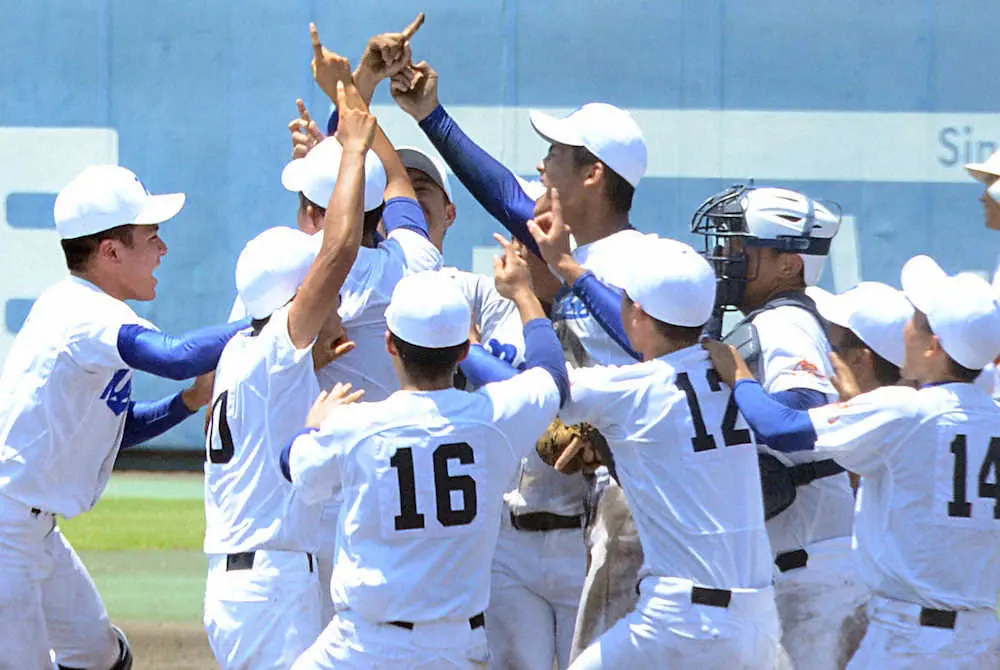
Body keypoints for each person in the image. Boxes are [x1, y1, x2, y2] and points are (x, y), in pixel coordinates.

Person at [391, 59, 650, 655]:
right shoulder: (572, 252)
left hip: (634, 497)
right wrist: (430, 116)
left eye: (554, 153)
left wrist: (568, 273)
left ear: (593, 173)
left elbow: (651, 350)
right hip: (590, 500)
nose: (541, 166)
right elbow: (502, 193)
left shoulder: (641, 264)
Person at [0, 165, 244, 669]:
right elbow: (176, 356)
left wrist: (187, 402)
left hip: (31, 530)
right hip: (7, 532)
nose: (163, 249)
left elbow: (115, 430)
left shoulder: (78, 306)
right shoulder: (85, 314)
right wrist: (276, 316)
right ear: (110, 252)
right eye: (152, 237)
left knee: (100, 657)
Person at [284, 240, 569, 670]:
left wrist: (315, 425)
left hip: (365, 645)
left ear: (390, 344)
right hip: (456, 647)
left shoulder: (356, 425)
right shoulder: (494, 417)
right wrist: (524, 295)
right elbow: (552, 374)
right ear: (465, 352)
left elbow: (293, 466)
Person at [705, 254, 1000, 668]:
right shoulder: (990, 416)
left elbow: (781, 429)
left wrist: (739, 375)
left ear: (934, 345)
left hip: (908, 637)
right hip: (983, 639)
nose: (907, 328)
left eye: (915, 321)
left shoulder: (904, 410)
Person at [202, 81, 372, 669]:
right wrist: (351, 151)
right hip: (271, 583)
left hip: (244, 583)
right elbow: (339, 251)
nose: (334, 299)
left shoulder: (240, 352)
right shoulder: (276, 347)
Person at [555, 236, 780, 667]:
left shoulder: (632, 388)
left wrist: (523, 304)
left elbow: (541, 387)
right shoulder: (732, 371)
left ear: (638, 313)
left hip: (681, 618)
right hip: (757, 619)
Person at [692, 183, 868, 668]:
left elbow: (795, 418)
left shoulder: (785, 323)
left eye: (741, 246)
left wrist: (740, 379)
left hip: (813, 575)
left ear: (789, 265)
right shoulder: (768, 319)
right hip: (792, 566)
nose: (726, 257)